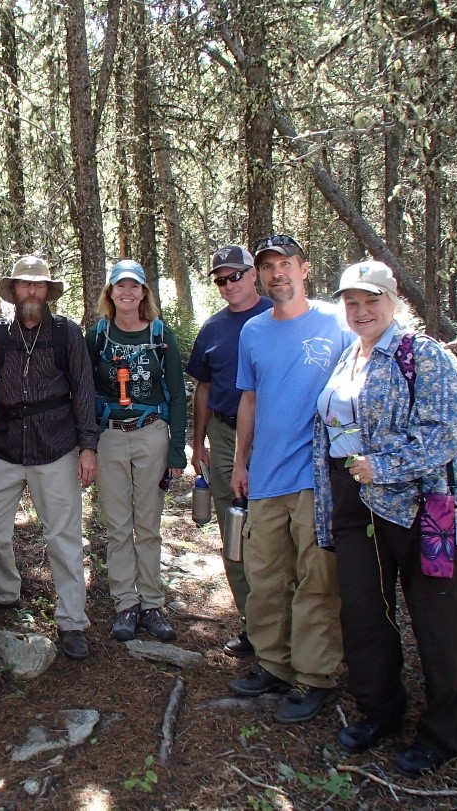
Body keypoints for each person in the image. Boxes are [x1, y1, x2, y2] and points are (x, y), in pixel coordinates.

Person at [313, 260, 457, 777]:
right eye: (351, 302)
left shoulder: (422, 354)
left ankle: (444, 734)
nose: (361, 311)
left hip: (431, 512)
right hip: (356, 509)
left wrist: (382, 466)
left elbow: (446, 431)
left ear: (393, 301)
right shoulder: (348, 359)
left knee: (439, 623)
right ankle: (379, 712)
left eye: (372, 300)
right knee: (363, 614)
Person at [228, 234, 353, 724]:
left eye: (286, 264)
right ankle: (274, 665)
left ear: (304, 267)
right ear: (259, 275)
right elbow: (249, 400)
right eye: (268, 267)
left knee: (318, 579)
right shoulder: (253, 333)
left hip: (318, 478)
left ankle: (316, 676)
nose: (277, 274)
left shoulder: (336, 322)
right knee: (265, 577)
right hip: (266, 475)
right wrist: (241, 463)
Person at [0, 256, 98, 660]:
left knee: (64, 538)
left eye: (39, 285)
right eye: (24, 285)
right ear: (13, 290)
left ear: (48, 291)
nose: (32, 291)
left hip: (56, 445)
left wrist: (88, 446)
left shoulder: (67, 334)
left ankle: (71, 620)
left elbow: (83, 389)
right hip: (7, 445)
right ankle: (3, 591)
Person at [86, 260, 187, 643]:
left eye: (134, 287)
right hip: (110, 435)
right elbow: (84, 390)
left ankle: (151, 603)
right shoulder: (98, 336)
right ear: (110, 293)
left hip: (151, 434)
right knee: (116, 525)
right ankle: (124, 603)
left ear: (144, 292)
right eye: (119, 287)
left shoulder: (162, 336)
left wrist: (177, 452)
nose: (127, 293)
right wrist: (87, 445)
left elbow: (177, 395)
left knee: (147, 524)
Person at [185, 245, 272, 657]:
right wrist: (197, 441)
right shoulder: (213, 329)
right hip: (222, 436)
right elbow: (203, 387)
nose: (228, 285)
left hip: (273, 439)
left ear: (254, 274)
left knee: (274, 532)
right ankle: (252, 627)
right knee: (233, 528)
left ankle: (283, 628)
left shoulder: (279, 316)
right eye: (220, 279)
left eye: (235, 275)